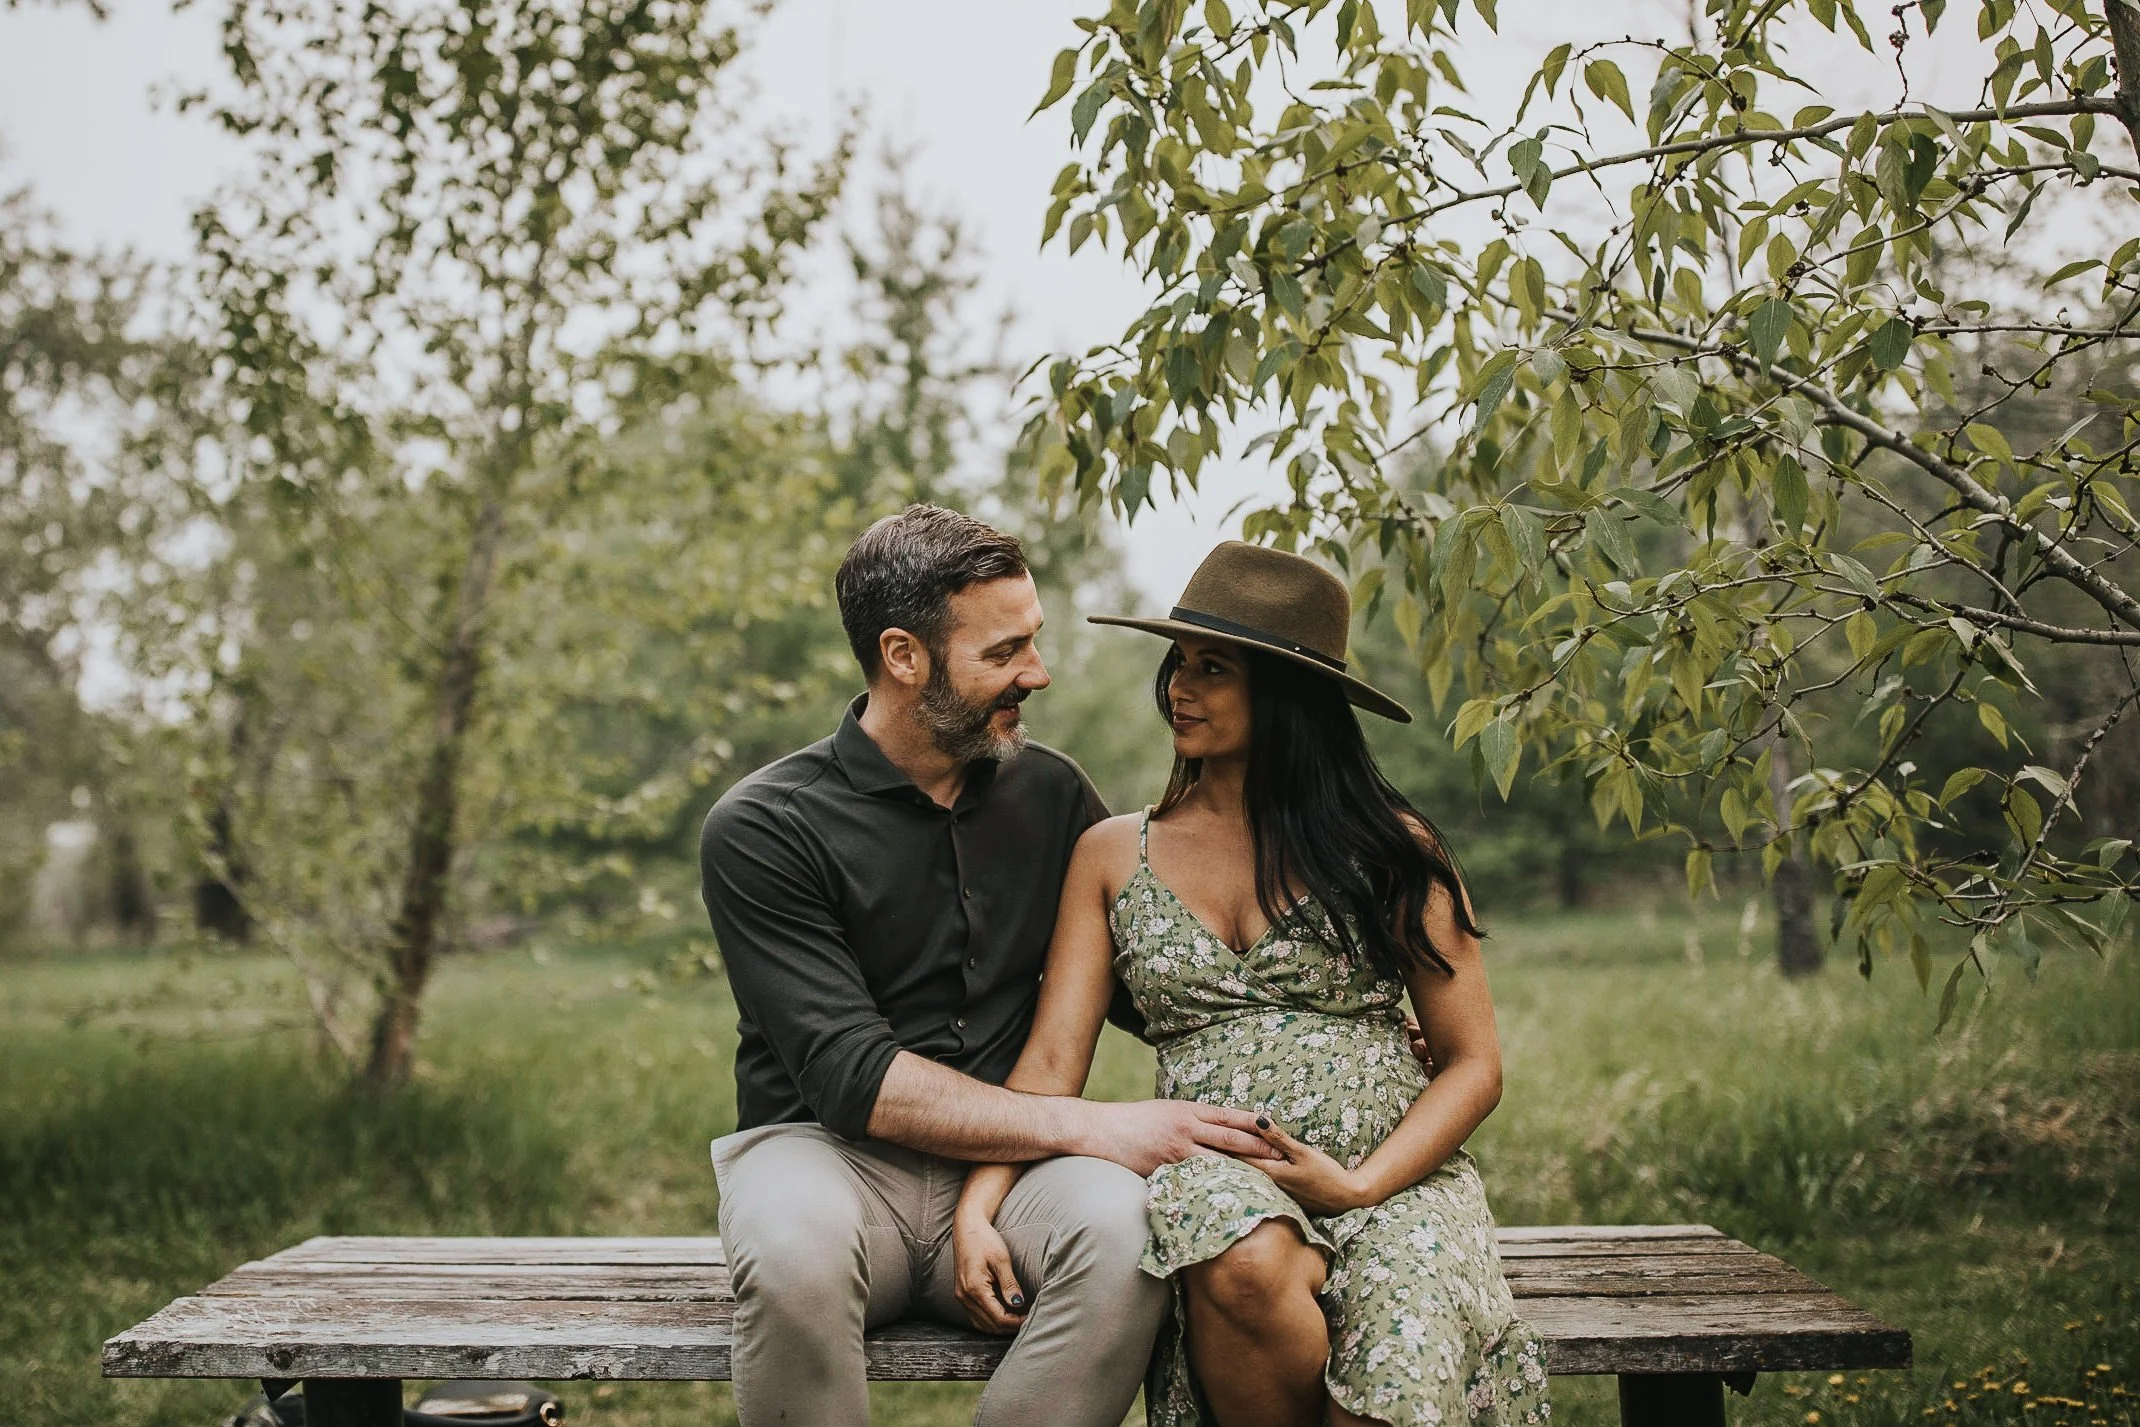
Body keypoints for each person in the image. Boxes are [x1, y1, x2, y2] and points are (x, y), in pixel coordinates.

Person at [698, 505, 1278, 1427]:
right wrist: (1093, 1125)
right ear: (904, 656)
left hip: (1018, 1179)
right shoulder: (766, 827)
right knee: (789, 1250)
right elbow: (856, 1081)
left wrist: (1346, 1017)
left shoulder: (1050, 794)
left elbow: (1155, 986)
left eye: (1033, 642)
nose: (1036, 674)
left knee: (1132, 1233)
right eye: (1005, 653)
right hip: (829, 1158)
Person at [952, 541, 1552, 1427]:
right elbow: (1050, 1061)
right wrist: (978, 1209)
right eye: (1179, 664)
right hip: (1218, 1179)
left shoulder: (1391, 849)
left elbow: (1474, 1064)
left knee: (1393, 1382)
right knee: (1236, 1257)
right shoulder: (1114, 854)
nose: (1179, 689)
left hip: (1395, 1182)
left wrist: (1357, 1185)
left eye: (1214, 668)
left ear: (1286, 694)